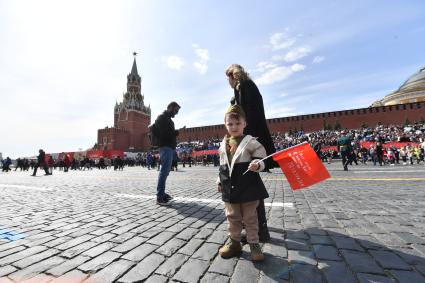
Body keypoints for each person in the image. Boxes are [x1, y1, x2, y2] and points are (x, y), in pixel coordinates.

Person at [225, 63, 273, 242]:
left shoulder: (243, 87)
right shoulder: (246, 87)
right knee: (251, 182)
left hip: (251, 140)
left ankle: (260, 231)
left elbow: (246, 117)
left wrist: (243, 140)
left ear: (233, 76)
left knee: (251, 184)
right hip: (253, 137)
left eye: (228, 79)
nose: (228, 83)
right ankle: (259, 229)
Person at [216, 105, 268, 261]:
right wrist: (219, 180)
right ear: (225, 125)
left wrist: (257, 164)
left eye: (237, 123)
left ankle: (254, 244)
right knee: (232, 216)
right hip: (229, 187)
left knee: (250, 218)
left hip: (248, 187)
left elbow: (262, 159)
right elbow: (222, 165)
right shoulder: (223, 144)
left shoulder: (251, 141)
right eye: (230, 124)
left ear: (245, 123)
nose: (234, 127)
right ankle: (234, 242)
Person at [155, 101, 181, 205]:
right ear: (170, 107)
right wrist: (176, 132)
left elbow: (167, 133)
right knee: (164, 171)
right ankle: (160, 197)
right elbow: (164, 134)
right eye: (175, 110)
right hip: (165, 147)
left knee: (166, 171)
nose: (176, 113)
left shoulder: (168, 119)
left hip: (169, 147)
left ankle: (162, 193)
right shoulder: (162, 118)